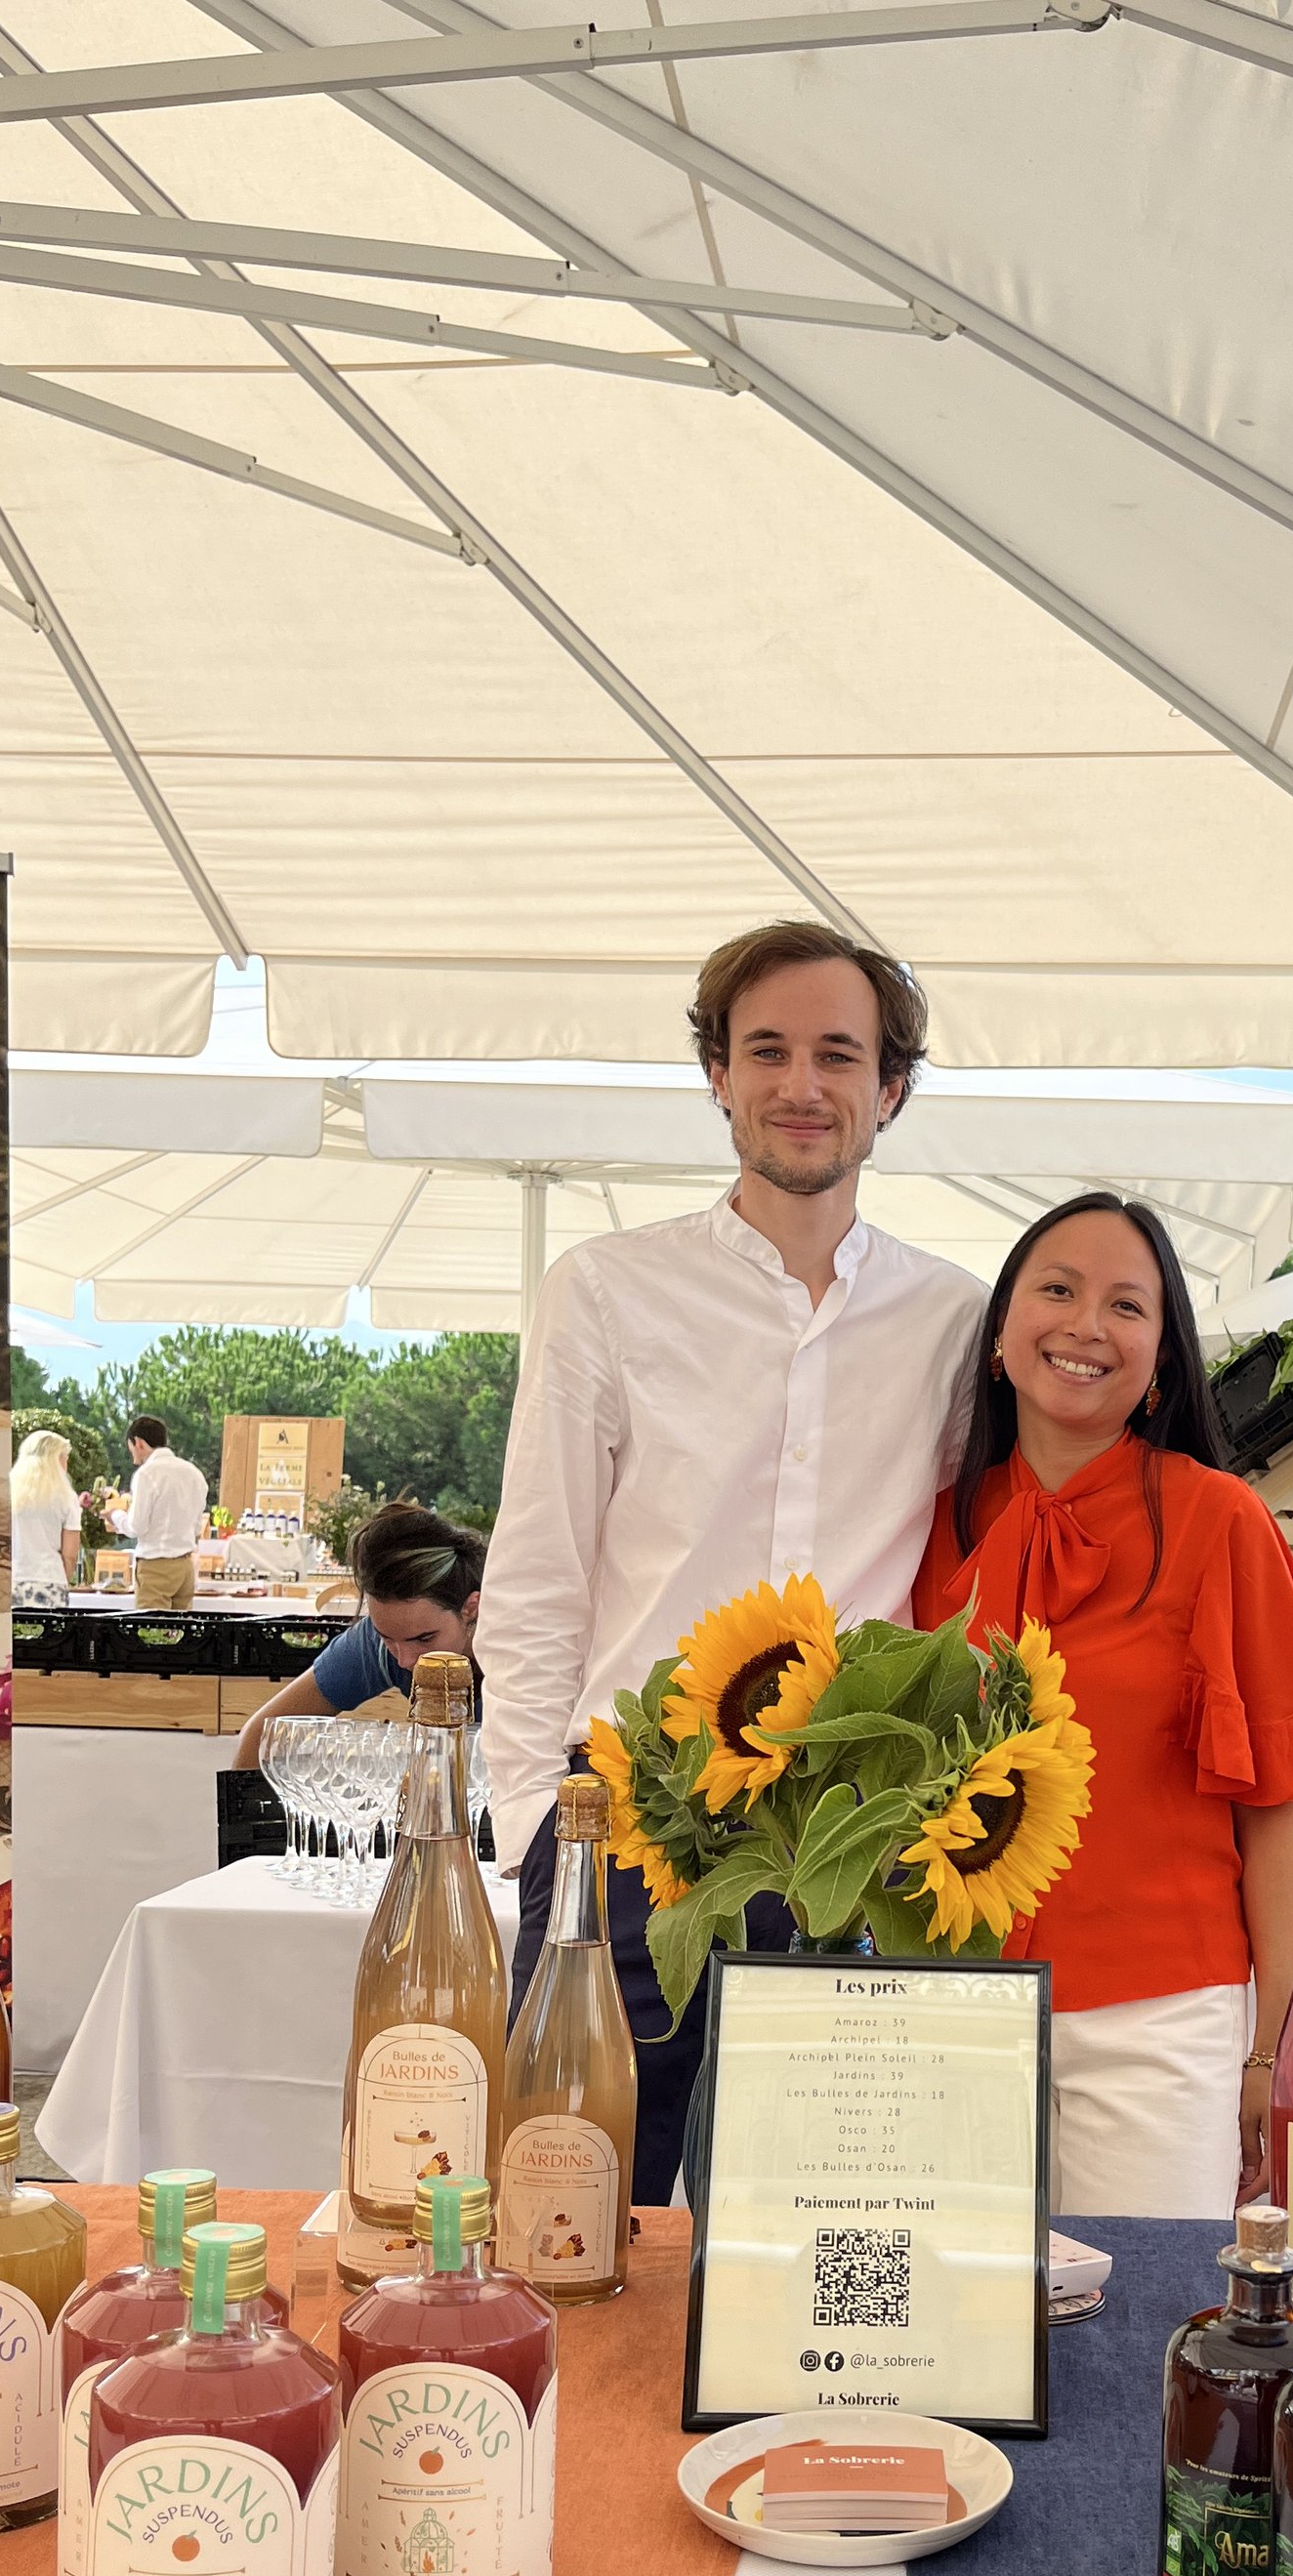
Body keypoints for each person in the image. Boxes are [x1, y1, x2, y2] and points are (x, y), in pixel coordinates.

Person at [476, 919, 985, 2203]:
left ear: (892, 1090)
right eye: (766, 1050)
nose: (800, 1086)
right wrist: (542, 1831)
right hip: (628, 1827)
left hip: (843, 1841)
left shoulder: (958, 1322)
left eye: (837, 1054)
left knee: (818, 2229)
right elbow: (536, 1583)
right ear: (717, 1074)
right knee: (583, 2209)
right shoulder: (602, 1293)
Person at [914, 1192, 1293, 2222]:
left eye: (1127, 1305)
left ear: (1162, 1358)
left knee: (1143, 2342)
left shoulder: (1221, 1522)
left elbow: (1276, 1808)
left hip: (1157, 2023)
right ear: (1000, 1333)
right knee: (958, 2343)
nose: (1085, 1325)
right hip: (954, 2013)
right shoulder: (936, 1525)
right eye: (1058, 1290)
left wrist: (1274, 2050)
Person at [232, 1503, 487, 1767]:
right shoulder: (377, 1643)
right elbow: (262, 1736)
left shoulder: (517, 1645)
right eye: (387, 1637)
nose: (404, 1660)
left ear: (471, 1607)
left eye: (424, 1639)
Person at [122, 1415, 208, 1611]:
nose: (133, 1458)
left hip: (156, 1565)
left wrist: (117, 1517)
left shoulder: (147, 1474)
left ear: (139, 1442)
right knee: (179, 1635)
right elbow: (197, 1527)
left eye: (131, 1448)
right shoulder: (194, 1473)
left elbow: (137, 1526)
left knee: (152, 1634)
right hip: (185, 1566)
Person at [9, 1428, 83, 1606]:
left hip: (11, 1578)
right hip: (50, 1579)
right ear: (56, 1459)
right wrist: (63, 1578)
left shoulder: (8, 1490)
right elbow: (70, 1553)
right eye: (65, 1457)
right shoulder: (66, 1496)